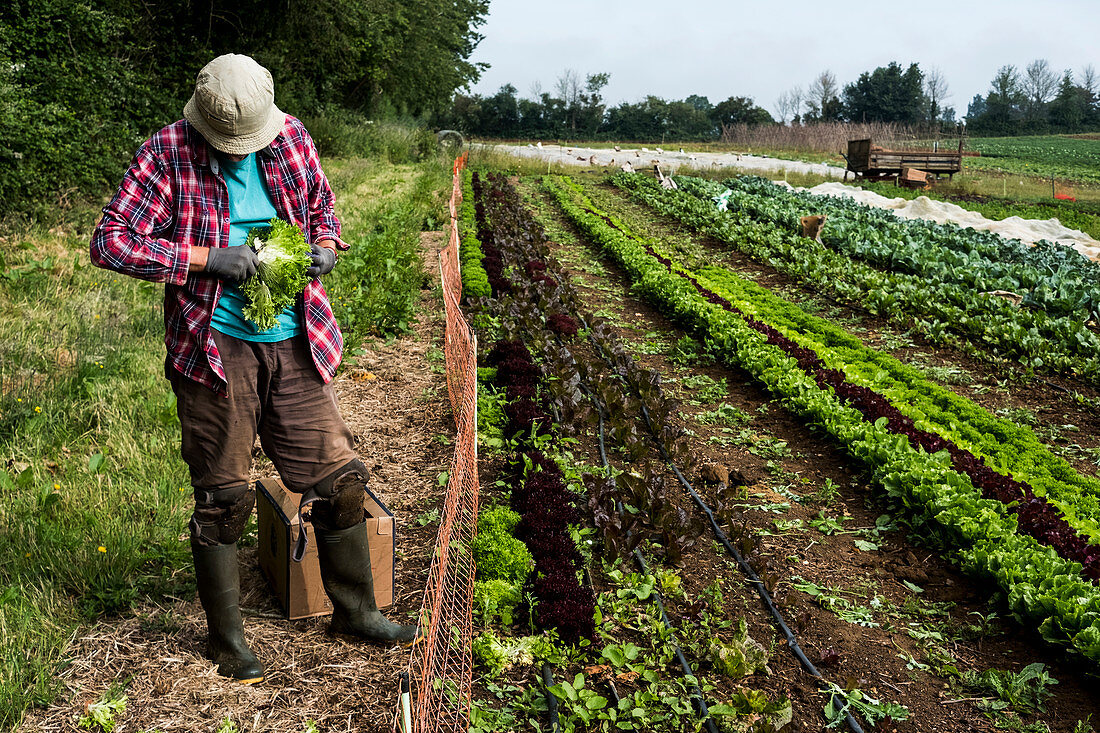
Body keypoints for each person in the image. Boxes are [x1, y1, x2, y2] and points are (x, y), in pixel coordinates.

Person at [90, 54, 416, 684]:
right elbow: (112, 241)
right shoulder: (165, 152)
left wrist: (323, 250)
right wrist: (207, 257)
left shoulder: (290, 136)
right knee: (225, 497)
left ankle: (355, 611)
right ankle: (227, 639)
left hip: (295, 338)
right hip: (215, 348)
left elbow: (325, 215)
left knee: (341, 481)